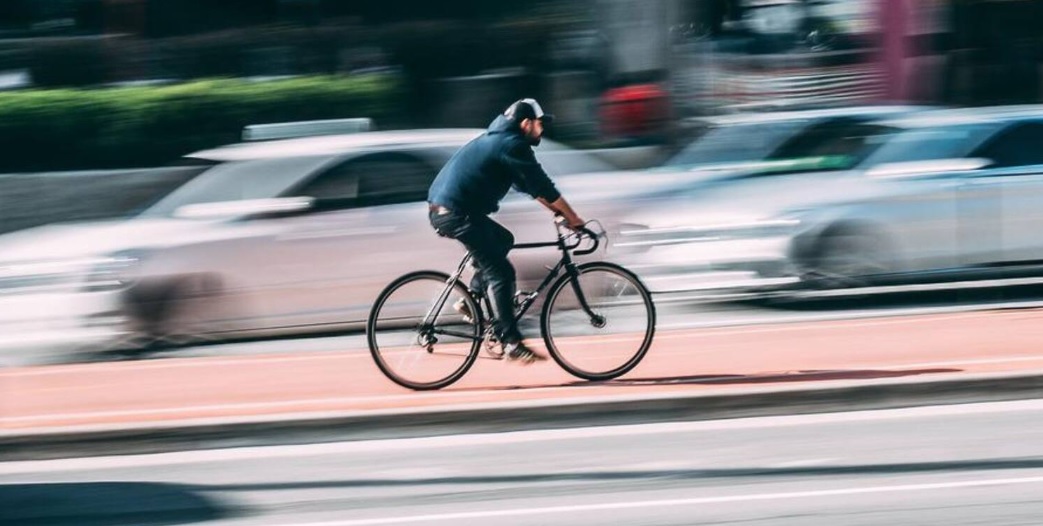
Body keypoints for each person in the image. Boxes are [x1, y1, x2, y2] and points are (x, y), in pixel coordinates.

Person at [427, 98, 585, 364]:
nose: (542, 129)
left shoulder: (501, 141)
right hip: (455, 214)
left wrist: (560, 213)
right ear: (526, 124)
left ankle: (472, 298)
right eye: (540, 124)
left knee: (503, 239)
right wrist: (574, 218)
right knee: (502, 272)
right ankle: (511, 342)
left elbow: (532, 188)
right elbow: (543, 185)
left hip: (453, 210)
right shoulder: (512, 145)